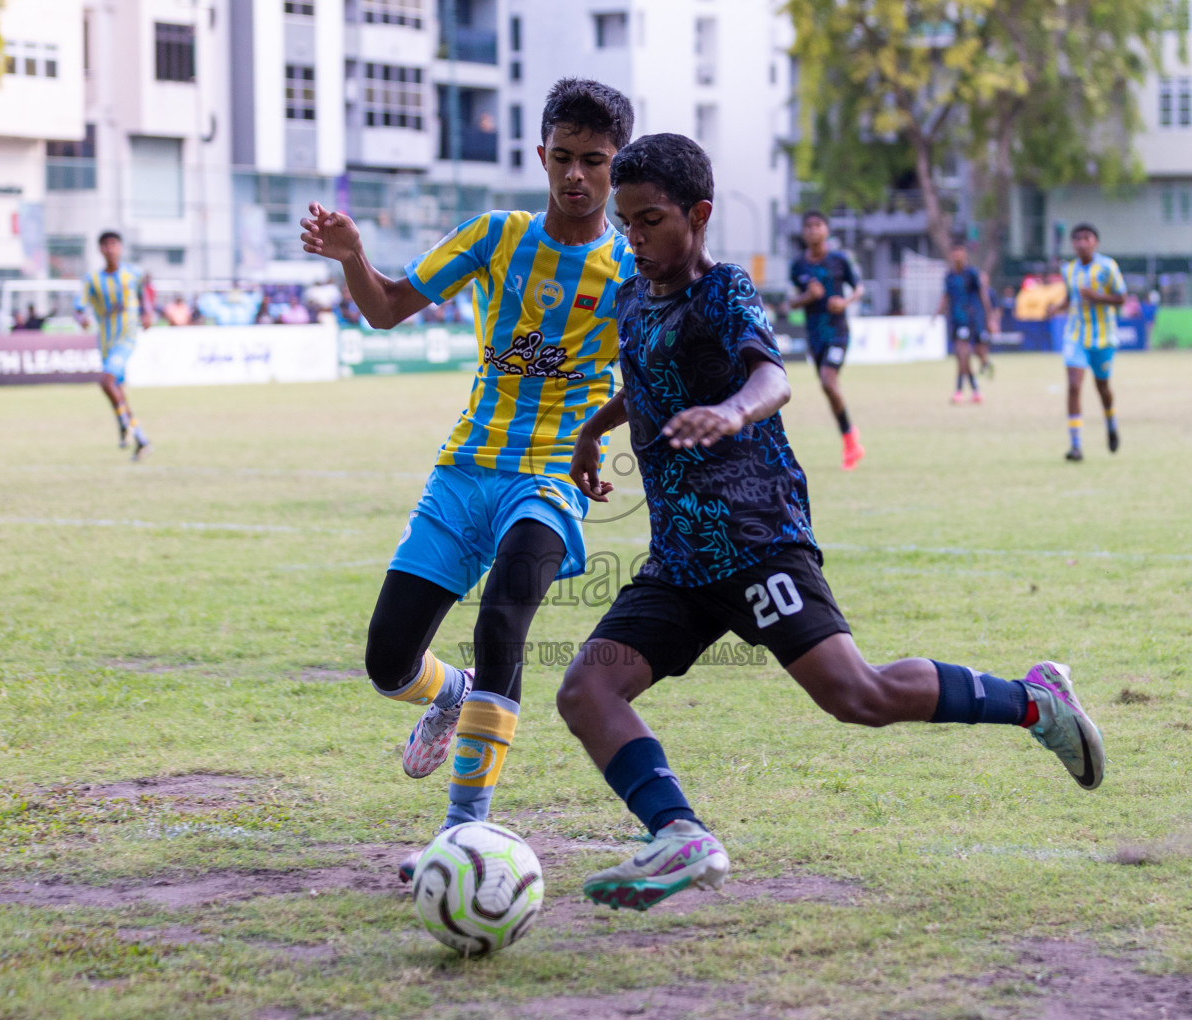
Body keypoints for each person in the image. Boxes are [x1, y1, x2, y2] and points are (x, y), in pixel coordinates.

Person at [558, 133, 1106, 910]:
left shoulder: (725, 291)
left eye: (650, 220)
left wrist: (730, 411)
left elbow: (771, 379)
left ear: (699, 215)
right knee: (586, 691)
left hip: (754, 538)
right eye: (626, 222)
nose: (634, 238)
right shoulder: (634, 297)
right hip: (680, 560)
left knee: (860, 696)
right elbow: (646, 377)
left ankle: (1035, 701)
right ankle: (679, 835)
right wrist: (593, 429)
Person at [298, 79, 638, 879]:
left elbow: (657, 375)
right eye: (564, 158)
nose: (577, 176)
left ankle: (462, 830)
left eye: (595, 161)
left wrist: (596, 433)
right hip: (464, 471)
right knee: (387, 663)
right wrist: (354, 258)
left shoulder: (629, 265)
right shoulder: (494, 236)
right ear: (541, 156)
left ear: (616, 166)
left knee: (504, 622)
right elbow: (383, 309)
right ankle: (450, 696)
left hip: (549, 479)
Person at [788, 211, 865, 470]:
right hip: (815, 335)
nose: (813, 230)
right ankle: (849, 437)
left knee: (828, 380)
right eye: (808, 226)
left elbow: (859, 288)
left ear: (827, 230)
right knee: (827, 387)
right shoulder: (798, 266)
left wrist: (844, 302)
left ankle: (850, 439)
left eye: (818, 225)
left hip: (838, 332)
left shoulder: (840, 260)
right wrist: (807, 297)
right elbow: (791, 302)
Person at [1047, 224, 1125, 462]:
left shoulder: (1108, 267)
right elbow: (1070, 298)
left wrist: (1097, 297)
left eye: (1086, 238)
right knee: (1073, 385)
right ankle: (1076, 445)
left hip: (1103, 337)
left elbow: (1121, 298)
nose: (1081, 243)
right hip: (1076, 335)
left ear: (1095, 242)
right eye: (1077, 239)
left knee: (1102, 387)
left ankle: (1110, 423)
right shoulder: (1068, 270)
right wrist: (1056, 308)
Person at [75, 230, 154, 461]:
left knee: (106, 381)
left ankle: (122, 425)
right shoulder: (92, 280)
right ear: (100, 249)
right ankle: (141, 439)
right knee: (117, 392)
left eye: (114, 244)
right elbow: (79, 308)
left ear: (120, 247)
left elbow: (145, 290)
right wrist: (83, 319)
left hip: (126, 338)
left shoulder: (133, 274)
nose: (110, 249)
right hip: (106, 341)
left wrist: (148, 313)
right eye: (106, 245)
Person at [935, 241, 993, 404]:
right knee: (962, 355)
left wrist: (990, 317)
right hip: (957, 321)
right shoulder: (949, 276)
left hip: (973, 319)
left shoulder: (972, 273)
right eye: (954, 253)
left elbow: (983, 294)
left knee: (978, 353)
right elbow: (945, 296)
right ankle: (964, 391)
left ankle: (983, 367)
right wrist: (936, 314)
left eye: (959, 252)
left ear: (964, 254)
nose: (957, 256)